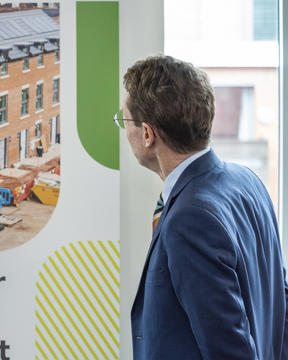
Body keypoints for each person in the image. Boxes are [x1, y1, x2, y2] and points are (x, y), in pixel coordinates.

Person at [120, 55, 288, 359]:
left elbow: (229, 351)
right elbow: (280, 302)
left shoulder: (190, 218)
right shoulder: (248, 182)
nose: (125, 131)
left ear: (147, 134)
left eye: (125, 121)